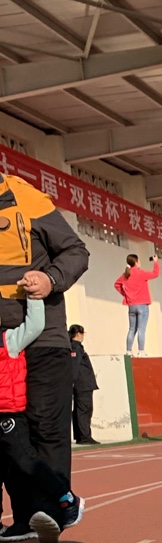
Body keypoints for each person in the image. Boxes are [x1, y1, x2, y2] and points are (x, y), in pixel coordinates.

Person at [0, 165, 89, 512]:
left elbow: (76, 252)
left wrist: (50, 279)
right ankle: (24, 518)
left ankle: (53, 511)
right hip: (4, 347)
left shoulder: (28, 198)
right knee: (8, 435)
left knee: (44, 426)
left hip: (42, 336)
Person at [0, 296, 83, 543]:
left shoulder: (8, 340)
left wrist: (34, 297)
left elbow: (35, 325)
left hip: (8, 414)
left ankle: (67, 498)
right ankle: (22, 521)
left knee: (25, 461)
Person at [114, 252, 159, 354]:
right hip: (142, 305)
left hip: (131, 305)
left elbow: (116, 284)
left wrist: (125, 294)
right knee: (141, 330)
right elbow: (155, 273)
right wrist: (155, 262)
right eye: (138, 260)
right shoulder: (141, 273)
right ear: (136, 262)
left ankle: (129, 351)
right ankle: (141, 351)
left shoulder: (125, 275)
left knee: (131, 329)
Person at [68, 325, 98, 446]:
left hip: (81, 384)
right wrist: (72, 381)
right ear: (78, 334)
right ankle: (84, 436)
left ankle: (81, 435)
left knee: (80, 410)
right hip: (82, 384)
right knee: (84, 410)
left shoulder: (75, 347)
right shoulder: (76, 347)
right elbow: (74, 366)